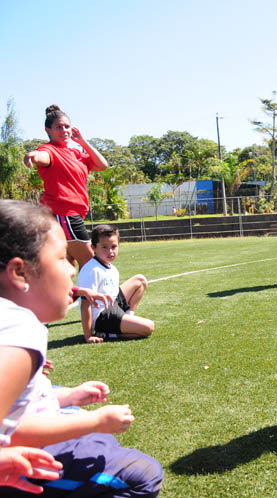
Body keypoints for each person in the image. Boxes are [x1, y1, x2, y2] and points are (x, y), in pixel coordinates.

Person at [0, 200, 163, 496]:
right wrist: (94, 421)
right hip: (21, 464)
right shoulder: (20, 331)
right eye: (63, 258)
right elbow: (10, 430)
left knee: (98, 439)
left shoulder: (10, 320)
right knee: (144, 475)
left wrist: (68, 397)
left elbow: (20, 406)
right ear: (19, 274)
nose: (72, 271)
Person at [23, 105, 109, 270]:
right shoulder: (48, 150)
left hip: (73, 215)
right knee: (93, 264)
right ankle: (96, 297)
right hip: (63, 214)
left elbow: (102, 165)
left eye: (67, 126)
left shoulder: (76, 154)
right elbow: (43, 157)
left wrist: (82, 141)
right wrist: (34, 155)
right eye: (58, 127)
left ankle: (66, 296)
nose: (64, 130)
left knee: (68, 267)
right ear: (48, 130)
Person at [77, 225, 154, 343]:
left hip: (113, 304)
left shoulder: (111, 268)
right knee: (148, 327)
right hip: (102, 316)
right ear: (93, 248)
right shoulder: (92, 270)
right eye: (104, 247)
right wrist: (88, 336)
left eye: (114, 247)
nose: (110, 252)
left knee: (140, 280)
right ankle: (110, 334)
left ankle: (128, 318)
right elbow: (85, 304)